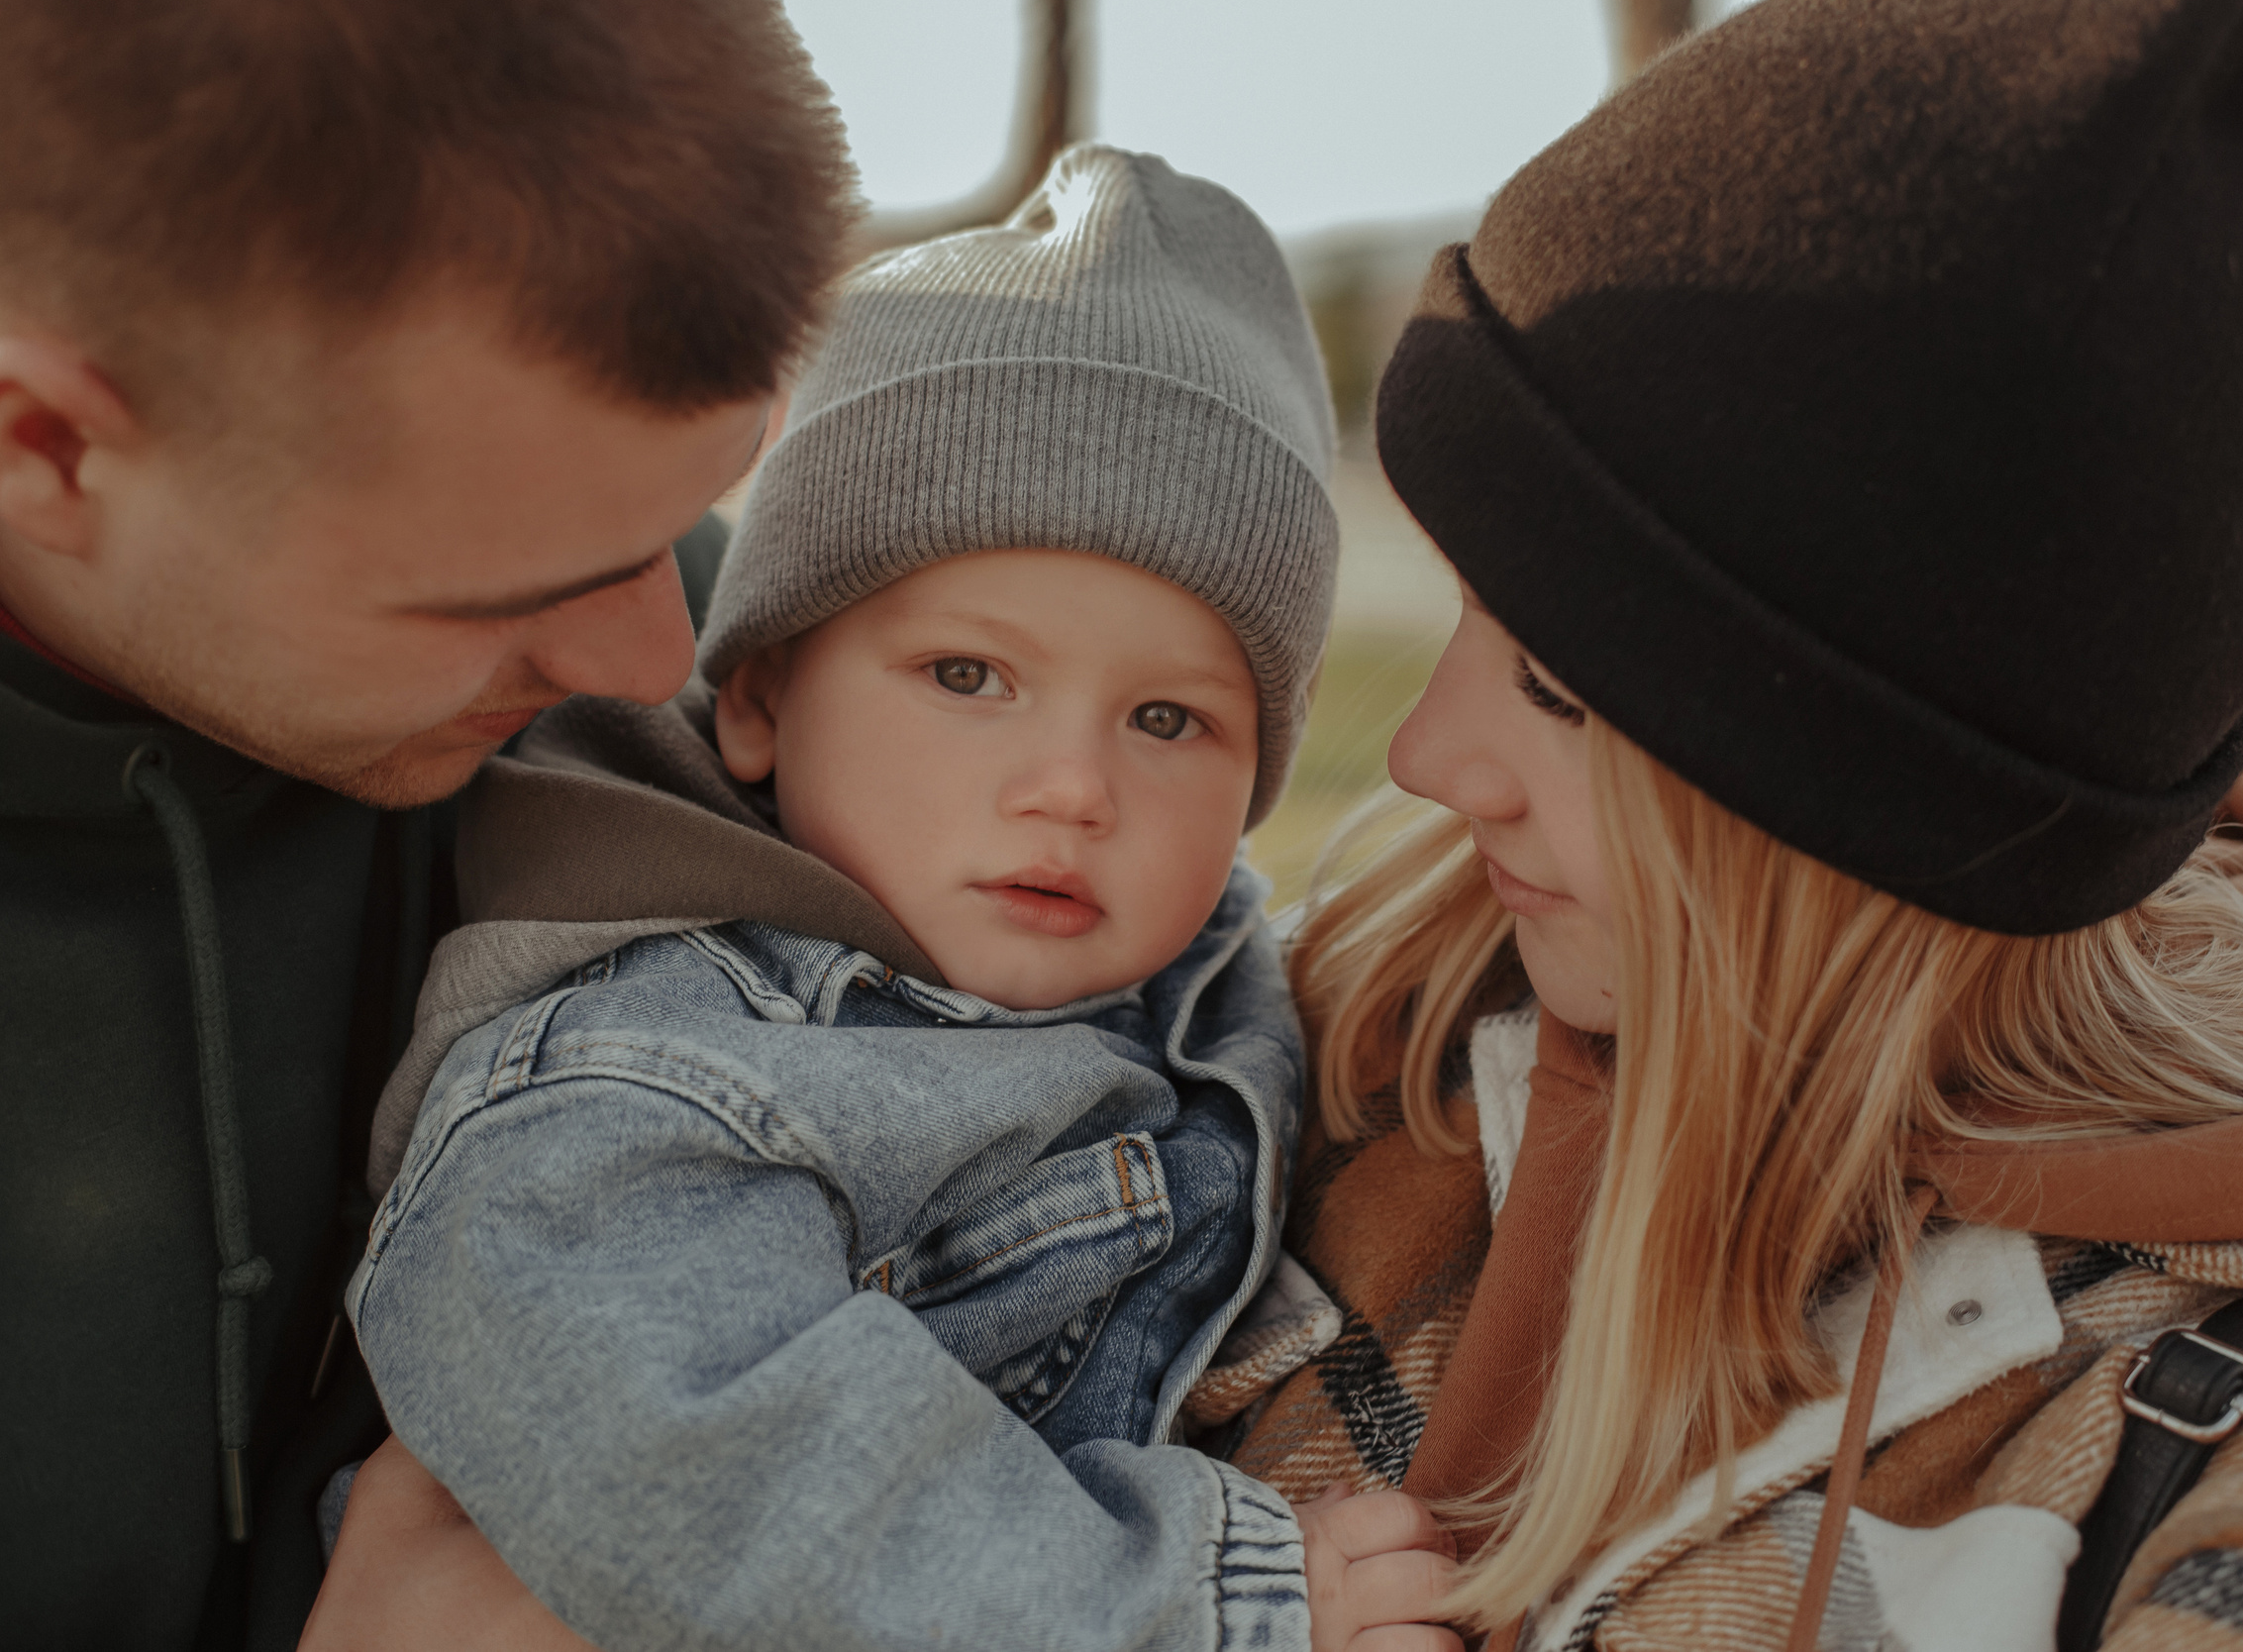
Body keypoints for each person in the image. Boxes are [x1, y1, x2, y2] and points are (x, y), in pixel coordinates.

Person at [1215, 0, 2243, 1647]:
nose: (1424, 756)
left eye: (1559, 685)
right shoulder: (1312, 1051)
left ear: (1863, 808)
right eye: (1464, 603)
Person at [326, 148, 1459, 1652]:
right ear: (766, 699)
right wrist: (1189, 1605)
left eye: (1169, 721)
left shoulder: (1209, 970)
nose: (1072, 786)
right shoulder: (650, 1070)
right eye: (968, 678)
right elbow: (713, 1462)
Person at [0, 0, 850, 1643]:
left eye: (690, 517)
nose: (663, 659)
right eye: (501, 592)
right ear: (41, 441)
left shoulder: (717, 671)